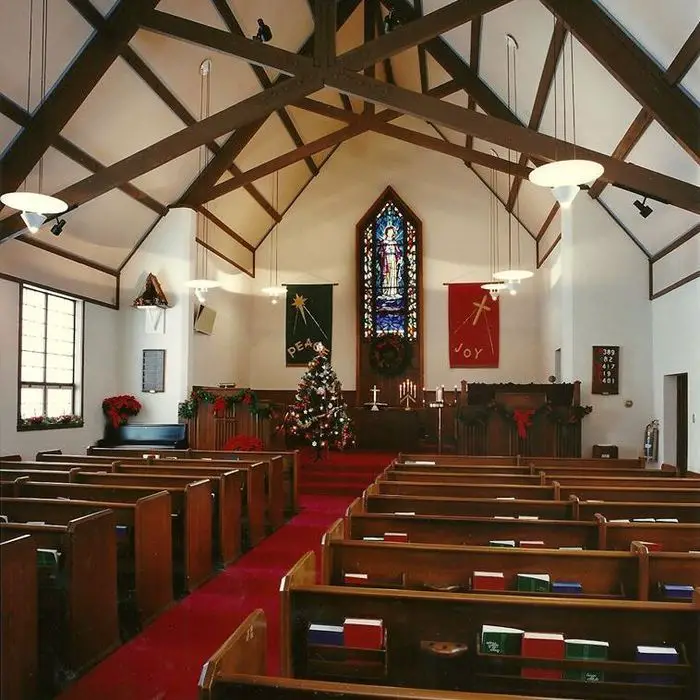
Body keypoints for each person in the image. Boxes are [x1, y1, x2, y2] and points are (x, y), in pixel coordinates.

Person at [379, 225, 401, 298]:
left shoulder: (395, 242)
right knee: (387, 276)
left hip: (393, 259)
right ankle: (386, 292)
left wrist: (399, 258)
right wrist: (384, 253)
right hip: (386, 259)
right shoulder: (383, 242)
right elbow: (380, 252)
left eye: (391, 232)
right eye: (389, 232)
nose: (390, 233)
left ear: (393, 233)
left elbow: (398, 251)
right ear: (386, 233)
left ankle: (393, 292)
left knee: (393, 275)